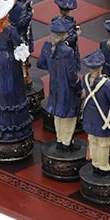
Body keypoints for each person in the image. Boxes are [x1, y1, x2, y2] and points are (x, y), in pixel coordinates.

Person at [0, 0, 33, 144]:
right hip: (9, 60)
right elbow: (19, 46)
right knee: (11, 87)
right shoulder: (11, 29)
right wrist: (22, 52)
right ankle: (11, 123)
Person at [36, 18, 82, 149]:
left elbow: (40, 64)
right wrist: (79, 88)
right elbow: (72, 76)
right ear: (64, 35)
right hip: (66, 88)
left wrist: (53, 69)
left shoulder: (47, 46)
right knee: (69, 115)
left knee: (58, 113)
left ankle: (60, 139)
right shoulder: (68, 52)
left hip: (54, 85)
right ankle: (67, 142)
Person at [80, 49, 110, 176]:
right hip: (103, 118)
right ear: (101, 67)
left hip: (90, 116)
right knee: (104, 143)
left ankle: (95, 163)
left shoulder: (85, 79)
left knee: (93, 140)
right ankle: (103, 167)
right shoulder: (106, 84)